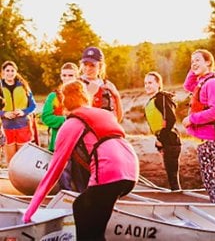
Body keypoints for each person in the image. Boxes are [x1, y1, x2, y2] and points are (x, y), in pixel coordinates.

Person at [23, 80, 139, 241]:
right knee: (83, 209)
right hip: (131, 168)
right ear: (85, 97)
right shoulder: (104, 114)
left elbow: (54, 171)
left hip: (109, 172)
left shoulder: (71, 124)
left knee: (88, 221)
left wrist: (29, 213)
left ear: (64, 101)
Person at [182, 49, 215, 203]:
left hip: (212, 139)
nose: (193, 64)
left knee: (212, 183)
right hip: (207, 140)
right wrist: (194, 69)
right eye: (192, 61)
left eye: (198, 60)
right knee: (211, 183)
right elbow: (187, 85)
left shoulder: (212, 83)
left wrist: (192, 118)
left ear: (208, 62)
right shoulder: (203, 81)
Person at [41, 62, 79, 190]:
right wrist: (65, 120)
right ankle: (65, 198)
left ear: (77, 77)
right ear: (61, 77)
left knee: (80, 175)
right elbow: (45, 117)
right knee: (64, 174)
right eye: (64, 75)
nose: (67, 78)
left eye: (71, 75)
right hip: (59, 141)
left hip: (79, 142)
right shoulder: (53, 96)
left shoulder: (81, 95)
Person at [144, 71, 182, 190]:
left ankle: (178, 198)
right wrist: (159, 142)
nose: (147, 85)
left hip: (171, 141)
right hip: (166, 141)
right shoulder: (154, 100)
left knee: (172, 177)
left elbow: (170, 119)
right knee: (171, 175)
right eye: (145, 83)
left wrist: (161, 139)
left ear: (158, 84)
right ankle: (176, 195)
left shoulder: (161, 98)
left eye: (150, 82)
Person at [0, 61, 37, 164]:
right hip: (6, 128)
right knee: (11, 161)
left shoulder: (24, 86)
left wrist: (23, 112)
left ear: (16, 72)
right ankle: (12, 180)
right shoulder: (0, 87)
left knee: (23, 161)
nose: (10, 73)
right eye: (7, 70)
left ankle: (22, 180)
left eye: (12, 70)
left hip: (23, 128)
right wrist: (3, 114)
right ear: (3, 72)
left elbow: (33, 106)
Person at [79, 46, 123, 122]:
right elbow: (70, 114)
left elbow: (118, 119)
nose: (88, 68)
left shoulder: (108, 85)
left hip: (104, 129)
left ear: (100, 66)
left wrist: (117, 96)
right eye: (85, 64)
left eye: (92, 65)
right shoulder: (76, 84)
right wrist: (90, 95)